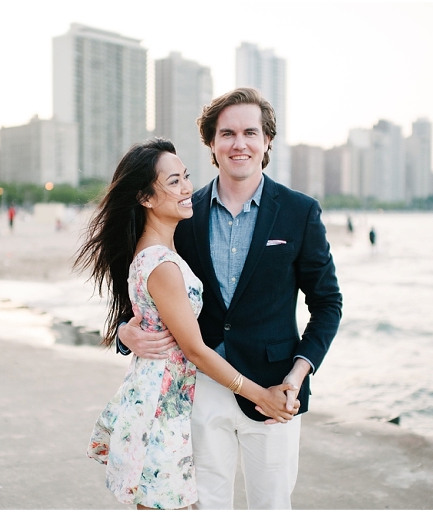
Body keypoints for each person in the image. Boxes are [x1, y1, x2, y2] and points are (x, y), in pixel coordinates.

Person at [118, 88, 342, 509]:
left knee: (271, 505)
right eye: (227, 133)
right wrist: (124, 333)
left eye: (250, 132)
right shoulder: (184, 211)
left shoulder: (299, 211)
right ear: (212, 144)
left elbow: (328, 303)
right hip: (200, 387)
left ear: (267, 141)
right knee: (207, 505)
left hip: (275, 390)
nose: (240, 143)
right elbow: (140, 283)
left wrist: (296, 377)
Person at [76, 138, 297, 510]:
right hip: (162, 403)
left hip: (162, 395)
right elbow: (194, 349)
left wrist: (127, 330)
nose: (187, 189)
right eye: (174, 181)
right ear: (145, 198)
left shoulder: (160, 249)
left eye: (186, 177)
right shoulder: (163, 264)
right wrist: (260, 395)